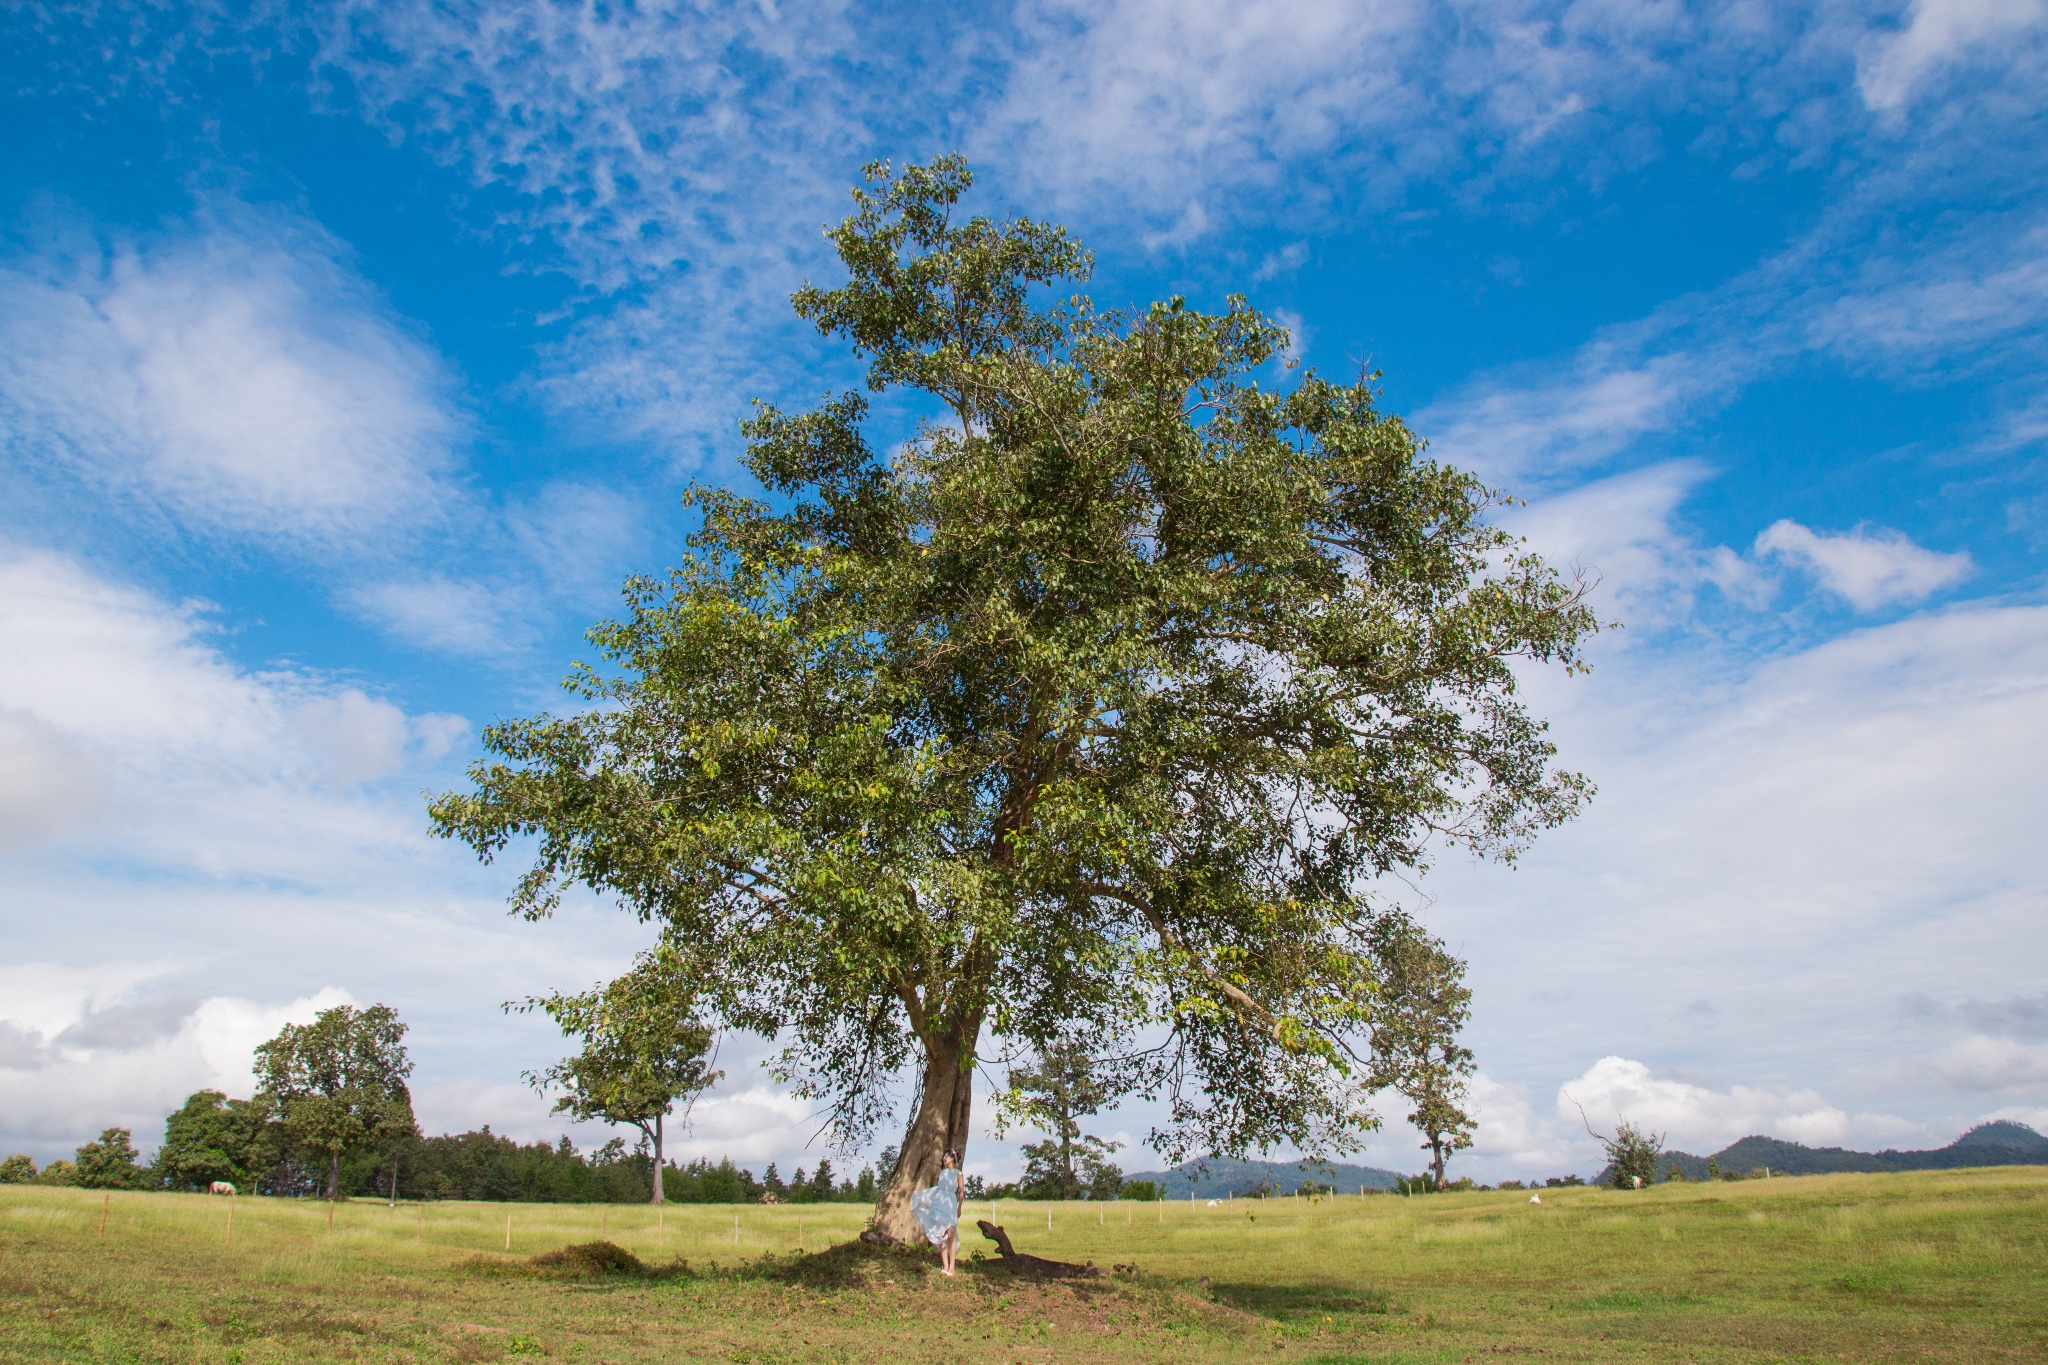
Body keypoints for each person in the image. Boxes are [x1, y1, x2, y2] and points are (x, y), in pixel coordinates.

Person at [910, 1148, 966, 1275]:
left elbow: (961, 1191)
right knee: (940, 1235)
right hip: (939, 1202)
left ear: (952, 1159)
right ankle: (945, 1266)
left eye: (946, 1157)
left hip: (950, 1203)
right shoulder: (942, 1172)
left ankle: (952, 1267)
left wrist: (959, 1207)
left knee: (951, 1234)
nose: (944, 1159)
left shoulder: (958, 1174)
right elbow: (938, 1189)